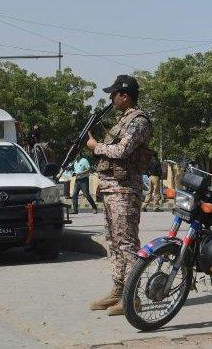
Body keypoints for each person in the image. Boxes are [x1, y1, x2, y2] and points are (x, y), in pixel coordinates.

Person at [85, 75, 153, 317]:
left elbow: (123, 151)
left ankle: (132, 298)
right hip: (111, 188)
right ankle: (118, 289)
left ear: (125, 95)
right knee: (114, 244)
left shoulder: (139, 121)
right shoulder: (123, 120)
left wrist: (96, 147)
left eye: (114, 94)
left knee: (127, 244)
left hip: (125, 190)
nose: (111, 98)